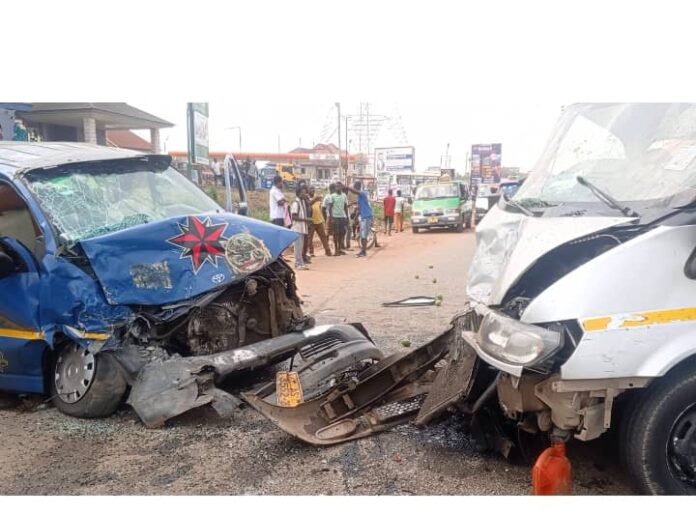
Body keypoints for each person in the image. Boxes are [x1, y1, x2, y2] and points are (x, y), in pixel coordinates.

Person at [344, 181, 373, 257]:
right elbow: (359, 207)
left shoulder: (362, 193)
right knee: (362, 234)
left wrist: (347, 187)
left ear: (357, 187)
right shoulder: (360, 196)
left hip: (366, 216)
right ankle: (363, 251)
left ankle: (363, 252)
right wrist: (354, 213)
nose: (353, 189)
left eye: (354, 187)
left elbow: (355, 192)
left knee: (363, 235)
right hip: (364, 216)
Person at [290, 185, 311, 270]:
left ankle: (300, 262)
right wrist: (306, 220)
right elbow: (294, 217)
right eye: (303, 193)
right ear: (299, 193)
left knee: (300, 247)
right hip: (297, 228)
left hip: (302, 228)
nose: (305, 194)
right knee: (298, 247)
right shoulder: (296, 203)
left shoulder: (302, 202)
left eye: (305, 193)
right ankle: (298, 263)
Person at [307, 187, 332, 257]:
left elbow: (320, 209)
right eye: (311, 189)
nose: (312, 191)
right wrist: (315, 199)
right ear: (308, 191)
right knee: (309, 238)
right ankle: (311, 252)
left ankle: (328, 251)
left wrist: (323, 219)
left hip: (319, 221)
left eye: (313, 189)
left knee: (323, 236)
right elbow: (308, 204)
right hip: (311, 221)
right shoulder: (307, 199)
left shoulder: (317, 198)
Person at [328, 182, 348, 256]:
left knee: (341, 233)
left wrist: (347, 217)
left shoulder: (344, 195)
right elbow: (330, 208)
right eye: (336, 187)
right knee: (335, 234)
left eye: (339, 186)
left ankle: (339, 249)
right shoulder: (332, 196)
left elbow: (345, 207)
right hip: (335, 217)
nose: (338, 188)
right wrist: (331, 218)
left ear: (341, 187)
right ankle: (336, 250)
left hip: (342, 217)